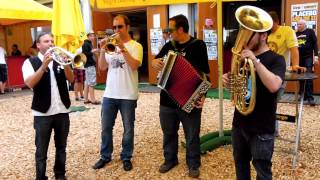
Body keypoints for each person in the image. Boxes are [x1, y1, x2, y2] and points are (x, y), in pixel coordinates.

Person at [223, 29, 286, 180]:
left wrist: (256, 61)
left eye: (249, 35)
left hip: (261, 128)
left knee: (263, 172)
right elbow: (240, 93)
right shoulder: (242, 59)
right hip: (239, 124)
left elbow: (274, 85)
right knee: (240, 166)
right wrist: (229, 83)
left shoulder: (276, 59)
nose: (244, 39)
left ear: (263, 36)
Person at [151, 14, 210, 178]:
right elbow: (155, 61)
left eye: (171, 29)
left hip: (190, 98)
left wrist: (203, 96)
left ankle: (193, 164)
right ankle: (170, 160)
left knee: (192, 135)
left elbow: (205, 74)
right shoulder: (169, 45)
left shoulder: (198, 46)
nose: (168, 32)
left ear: (181, 29)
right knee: (168, 132)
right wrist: (154, 62)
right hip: (167, 100)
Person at [93, 14, 143, 171]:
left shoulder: (136, 46)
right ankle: (105, 156)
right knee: (106, 127)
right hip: (110, 94)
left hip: (128, 94)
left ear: (127, 27)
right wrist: (102, 50)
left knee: (128, 128)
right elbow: (102, 68)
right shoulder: (110, 46)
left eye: (119, 26)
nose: (116, 30)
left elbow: (134, 65)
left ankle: (126, 156)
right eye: (114, 27)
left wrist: (122, 47)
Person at [22, 32, 74, 180]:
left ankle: (60, 175)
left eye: (52, 41)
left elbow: (71, 79)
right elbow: (30, 83)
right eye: (46, 41)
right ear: (38, 45)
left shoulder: (60, 60)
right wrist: (43, 66)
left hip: (62, 110)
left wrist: (66, 64)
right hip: (42, 114)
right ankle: (40, 177)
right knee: (41, 150)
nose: (51, 43)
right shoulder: (30, 62)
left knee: (61, 148)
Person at [296, 19, 319, 106]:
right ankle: (303, 95)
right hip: (299, 58)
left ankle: (310, 98)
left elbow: (315, 44)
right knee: (300, 76)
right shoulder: (295, 33)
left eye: (300, 24)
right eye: (297, 24)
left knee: (308, 76)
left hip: (308, 58)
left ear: (305, 25)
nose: (298, 26)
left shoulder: (310, 31)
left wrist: (316, 56)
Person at [82, 31, 100, 105]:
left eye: (93, 36)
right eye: (92, 36)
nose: (93, 37)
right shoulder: (86, 44)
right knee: (91, 82)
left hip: (88, 65)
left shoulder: (88, 43)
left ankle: (86, 99)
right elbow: (85, 54)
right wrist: (93, 51)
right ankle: (93, 100)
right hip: (89, 65)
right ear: (88, 36)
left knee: (87, 82)